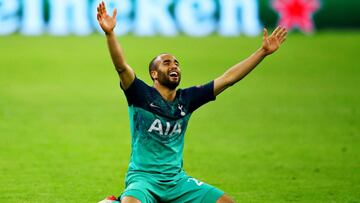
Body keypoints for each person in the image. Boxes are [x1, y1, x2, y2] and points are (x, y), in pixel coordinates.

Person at [96, 1, 287, 203]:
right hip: (144, 179)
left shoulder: (187, 100)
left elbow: (228, 79)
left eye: (177, 63)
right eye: (166, 62)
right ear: (154, 73)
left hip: (176, 181)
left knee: (226, 202)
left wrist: (262, 52)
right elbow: (121, 67)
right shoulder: (140, 94)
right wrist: (110, 34)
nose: (174, 66)